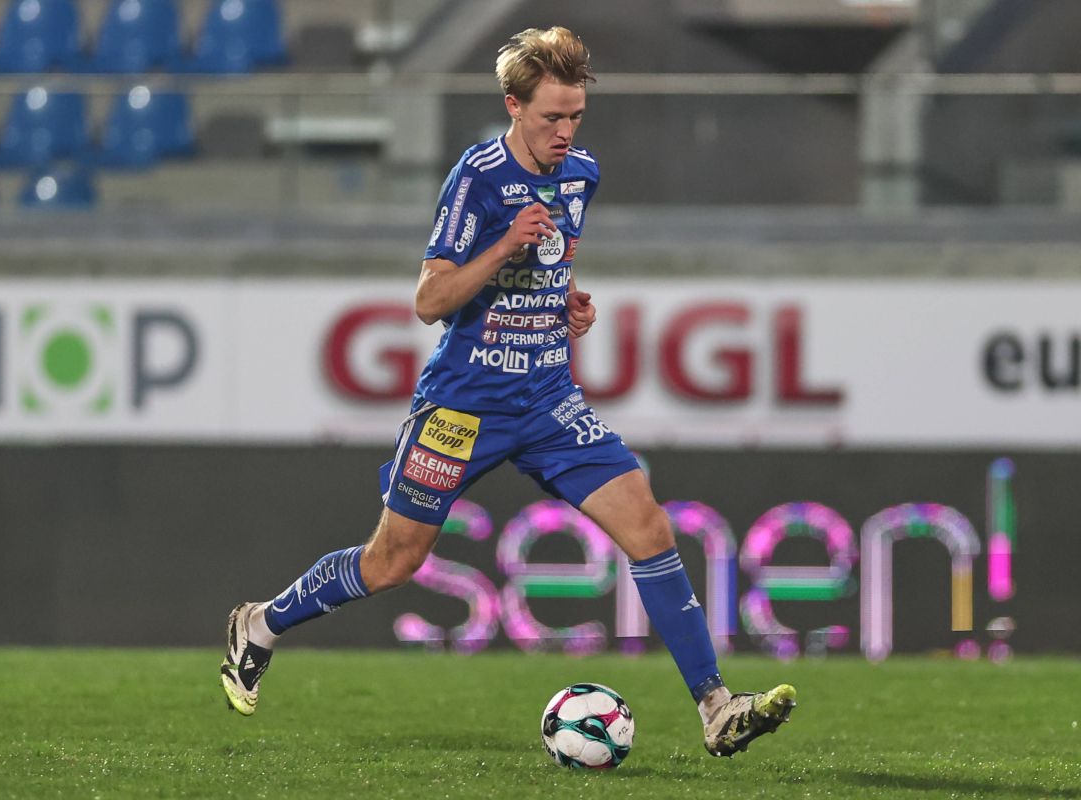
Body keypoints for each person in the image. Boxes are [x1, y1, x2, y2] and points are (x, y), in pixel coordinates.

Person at [221, 26, 796, 758]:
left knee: (650, 527)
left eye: (576, 115)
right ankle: (260, 624)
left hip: (548, 400)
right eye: (552, 116)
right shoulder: (478, 178)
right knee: (393, 561)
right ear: (513, 107)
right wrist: (502, 245)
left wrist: (567, 302)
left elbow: (555, 261)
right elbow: (429, 301)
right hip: (464, 406)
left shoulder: (581, 174)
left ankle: (715, 706)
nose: (566, 131)